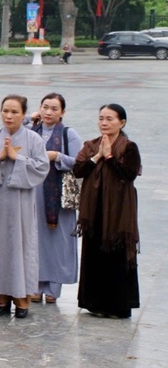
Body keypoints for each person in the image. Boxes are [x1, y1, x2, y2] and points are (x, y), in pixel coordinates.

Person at [73, 103, 141, 319]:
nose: (104, 122)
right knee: (95, 253)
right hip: (94, 209)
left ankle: (118, 306)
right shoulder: (91, 145)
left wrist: (110, 157)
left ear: (122, 122)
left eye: (109, 119)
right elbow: (78, 170)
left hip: (119, 210)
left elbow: (128, 174)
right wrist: (98, 156)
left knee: (117, 253)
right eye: (101, 118)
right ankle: (95, 303)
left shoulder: (129, 147)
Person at [0, 95, 49, 319]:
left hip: (21, 202)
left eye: (14, 112)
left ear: (23, 115)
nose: (9, 116)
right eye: (5, 111)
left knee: (21, 246)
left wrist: (18, 159)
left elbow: (42, 168)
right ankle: (0, 298)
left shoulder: (33, 139)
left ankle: (22, 299)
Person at [29, 93, 82, 304]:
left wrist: (57, 156)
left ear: (62, 113)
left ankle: (54, 287)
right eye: (45, 107)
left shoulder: (69, 134)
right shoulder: (32, 131)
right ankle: (36, 285)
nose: (48, 112)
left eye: (54, 108)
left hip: (58, 196)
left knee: (57, 241)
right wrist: (30, 118)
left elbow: (79, 162)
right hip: (35, 193)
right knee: (36, 240)